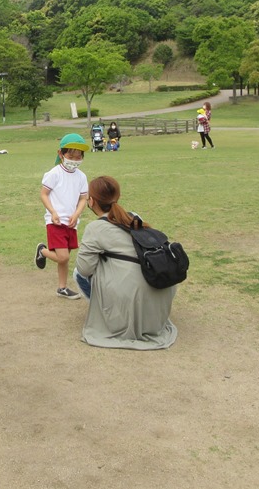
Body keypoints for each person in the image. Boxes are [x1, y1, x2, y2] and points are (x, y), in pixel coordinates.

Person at [73, 176, 177, 350]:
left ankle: (110, 317)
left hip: (132, 298)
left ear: (91, 201)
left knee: (77, 273)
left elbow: (84, 269)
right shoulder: (134, 217)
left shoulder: (95, 229)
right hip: (160, 287)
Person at [34, 133, 90, 299]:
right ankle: (42, 251)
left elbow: (83, 198)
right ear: (61, 154)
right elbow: (44, 194)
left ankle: (62, 288)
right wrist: (53, 212)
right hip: (55, 222)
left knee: (65, 259)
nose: (74, 159)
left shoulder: (81, 176)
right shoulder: (54, 173)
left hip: (72, 223)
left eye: (78, 156)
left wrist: (77, 214)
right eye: (71, 156)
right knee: (62, 257)